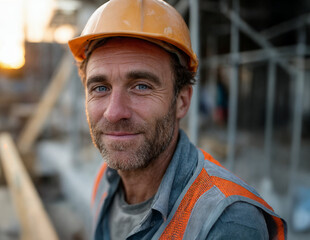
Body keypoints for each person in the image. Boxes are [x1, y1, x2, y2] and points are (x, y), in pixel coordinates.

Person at [67, 0, 287, 239]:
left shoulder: (228, 222)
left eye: (141, 86)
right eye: (100, 88)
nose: (114, 112)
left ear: (182, 101)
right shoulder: (105, 180)